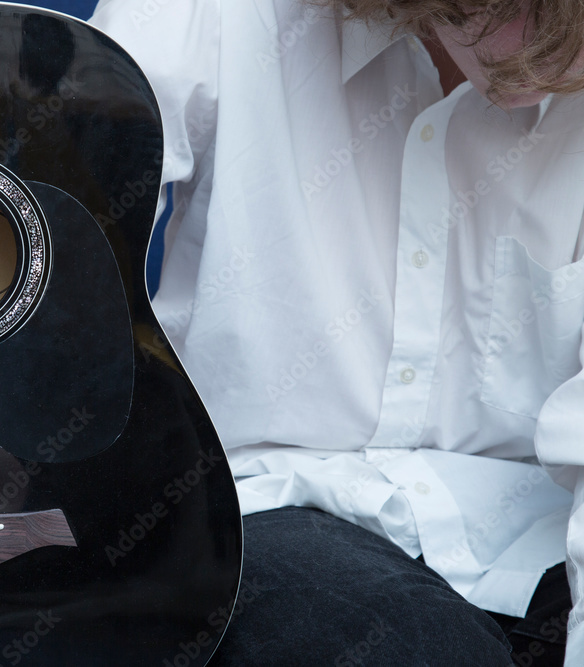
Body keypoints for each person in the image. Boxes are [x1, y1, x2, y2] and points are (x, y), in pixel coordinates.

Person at [87, 0, 584, 664]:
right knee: (410, 647)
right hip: (262, 501)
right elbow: (57, 241)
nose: (565, 48)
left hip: (536, 530)